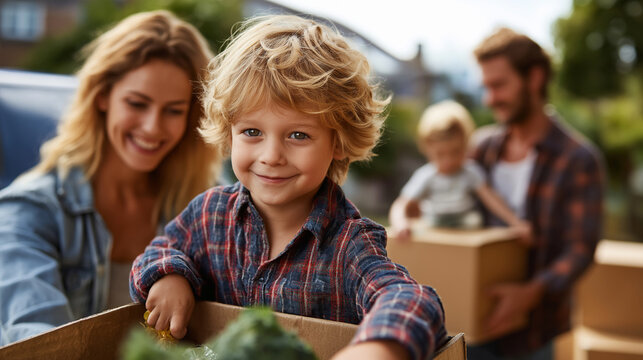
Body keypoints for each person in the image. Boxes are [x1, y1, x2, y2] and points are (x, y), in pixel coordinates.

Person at [130, 15, 447, 360]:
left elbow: (412, 299)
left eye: (298, 135)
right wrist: (169, 275)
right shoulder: (208, 215)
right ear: (229, 131)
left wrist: (380, 347)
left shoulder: (349, 245)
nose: (271, 156)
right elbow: (160, 249)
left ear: (337, 143)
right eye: (252, 132)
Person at [0, 10, 221, 345]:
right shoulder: (29, 209)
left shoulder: (204, 208)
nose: (152, 127)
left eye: (174, 110)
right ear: (102, 95)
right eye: (137, 103)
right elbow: (40, 342)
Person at [468, 27, 605, 359]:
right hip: (469, 323)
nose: (490, 98)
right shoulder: (482, 149)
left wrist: (530, 293)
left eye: (499, 85)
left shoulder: (577, 159)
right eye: (486, 87)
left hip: (533, 333)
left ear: (534, 78)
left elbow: (580, 249)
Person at [388, 100, 531, 242]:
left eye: (456, 152)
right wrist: (400, 222)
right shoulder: (426, 175)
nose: (448, 161)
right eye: (440, 154)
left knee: (475, 221)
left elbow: (491, 198)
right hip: (435, 223)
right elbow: (401, 204)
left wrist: (515, 222)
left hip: (465, 224)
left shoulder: (470, 171)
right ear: (427, 149)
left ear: (466, 145)